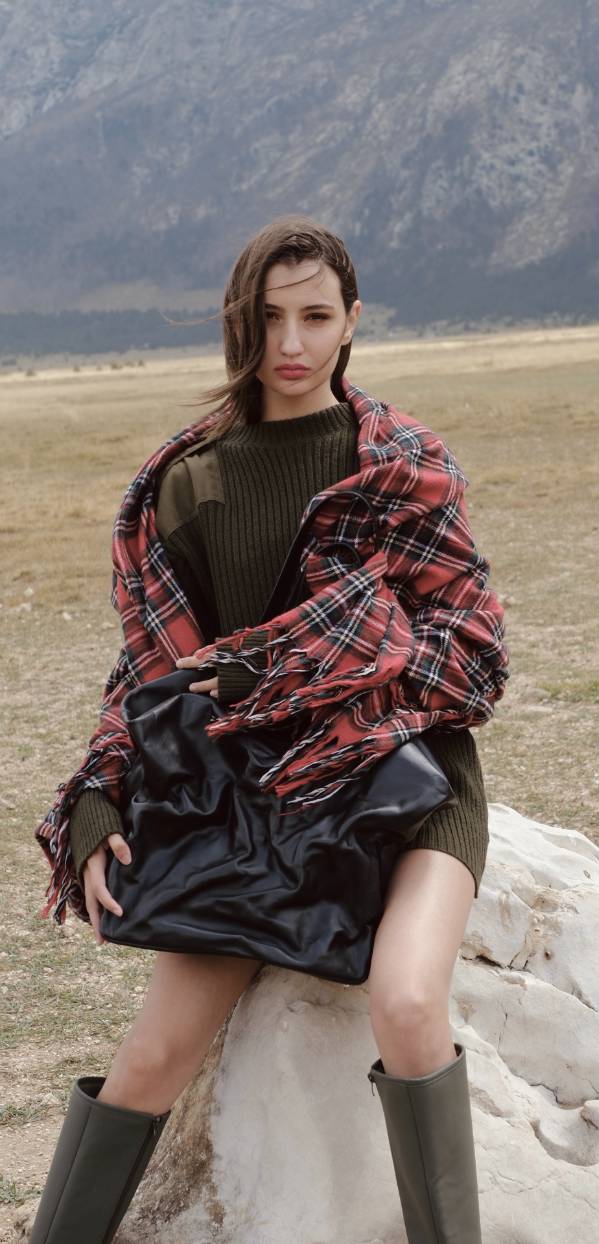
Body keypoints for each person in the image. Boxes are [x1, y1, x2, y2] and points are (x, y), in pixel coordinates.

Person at [30, 215, 508, 1243]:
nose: (291, 343)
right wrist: (100, 798)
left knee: (407, 1003)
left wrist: (293, 670)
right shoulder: (187, 480)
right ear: (237, 322)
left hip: (411, 781)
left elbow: (472, 653)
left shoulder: (406, 463)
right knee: (152, 1056)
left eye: (316, 317)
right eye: (269, 317)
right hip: (258, 804)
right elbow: (155, 677)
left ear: (352, 321)